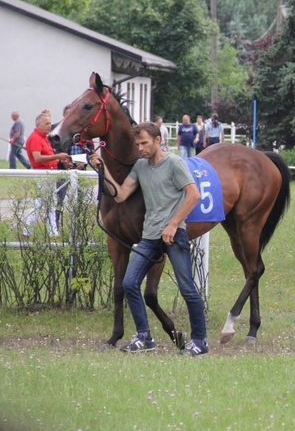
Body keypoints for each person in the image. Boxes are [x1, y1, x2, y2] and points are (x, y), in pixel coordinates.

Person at [88, 122, 209, 356]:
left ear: (157, 140)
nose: (141, 148)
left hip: (174, 235)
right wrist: (103, 169)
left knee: (187, 288)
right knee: (130, 283)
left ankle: (200, 341)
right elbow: (121, 194)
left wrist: (174, 224)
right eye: (138, 144)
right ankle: (144, 337)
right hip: (150, 236)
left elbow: (194, 195)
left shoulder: (174, 163)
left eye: (144, 143)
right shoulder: (140, 166)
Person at [24, 113, 71, 237]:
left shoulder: (44, 137)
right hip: (43, 174)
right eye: (46, 123)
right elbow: (38, 158)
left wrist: (59, 160)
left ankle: (51, 232)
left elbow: (47, 157)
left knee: (47, 203)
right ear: (38, 125)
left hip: (49, 173)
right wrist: (57, 156)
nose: (49, 126)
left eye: (50, 123)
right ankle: (29, 229)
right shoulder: (35, 138)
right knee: (42, 203)